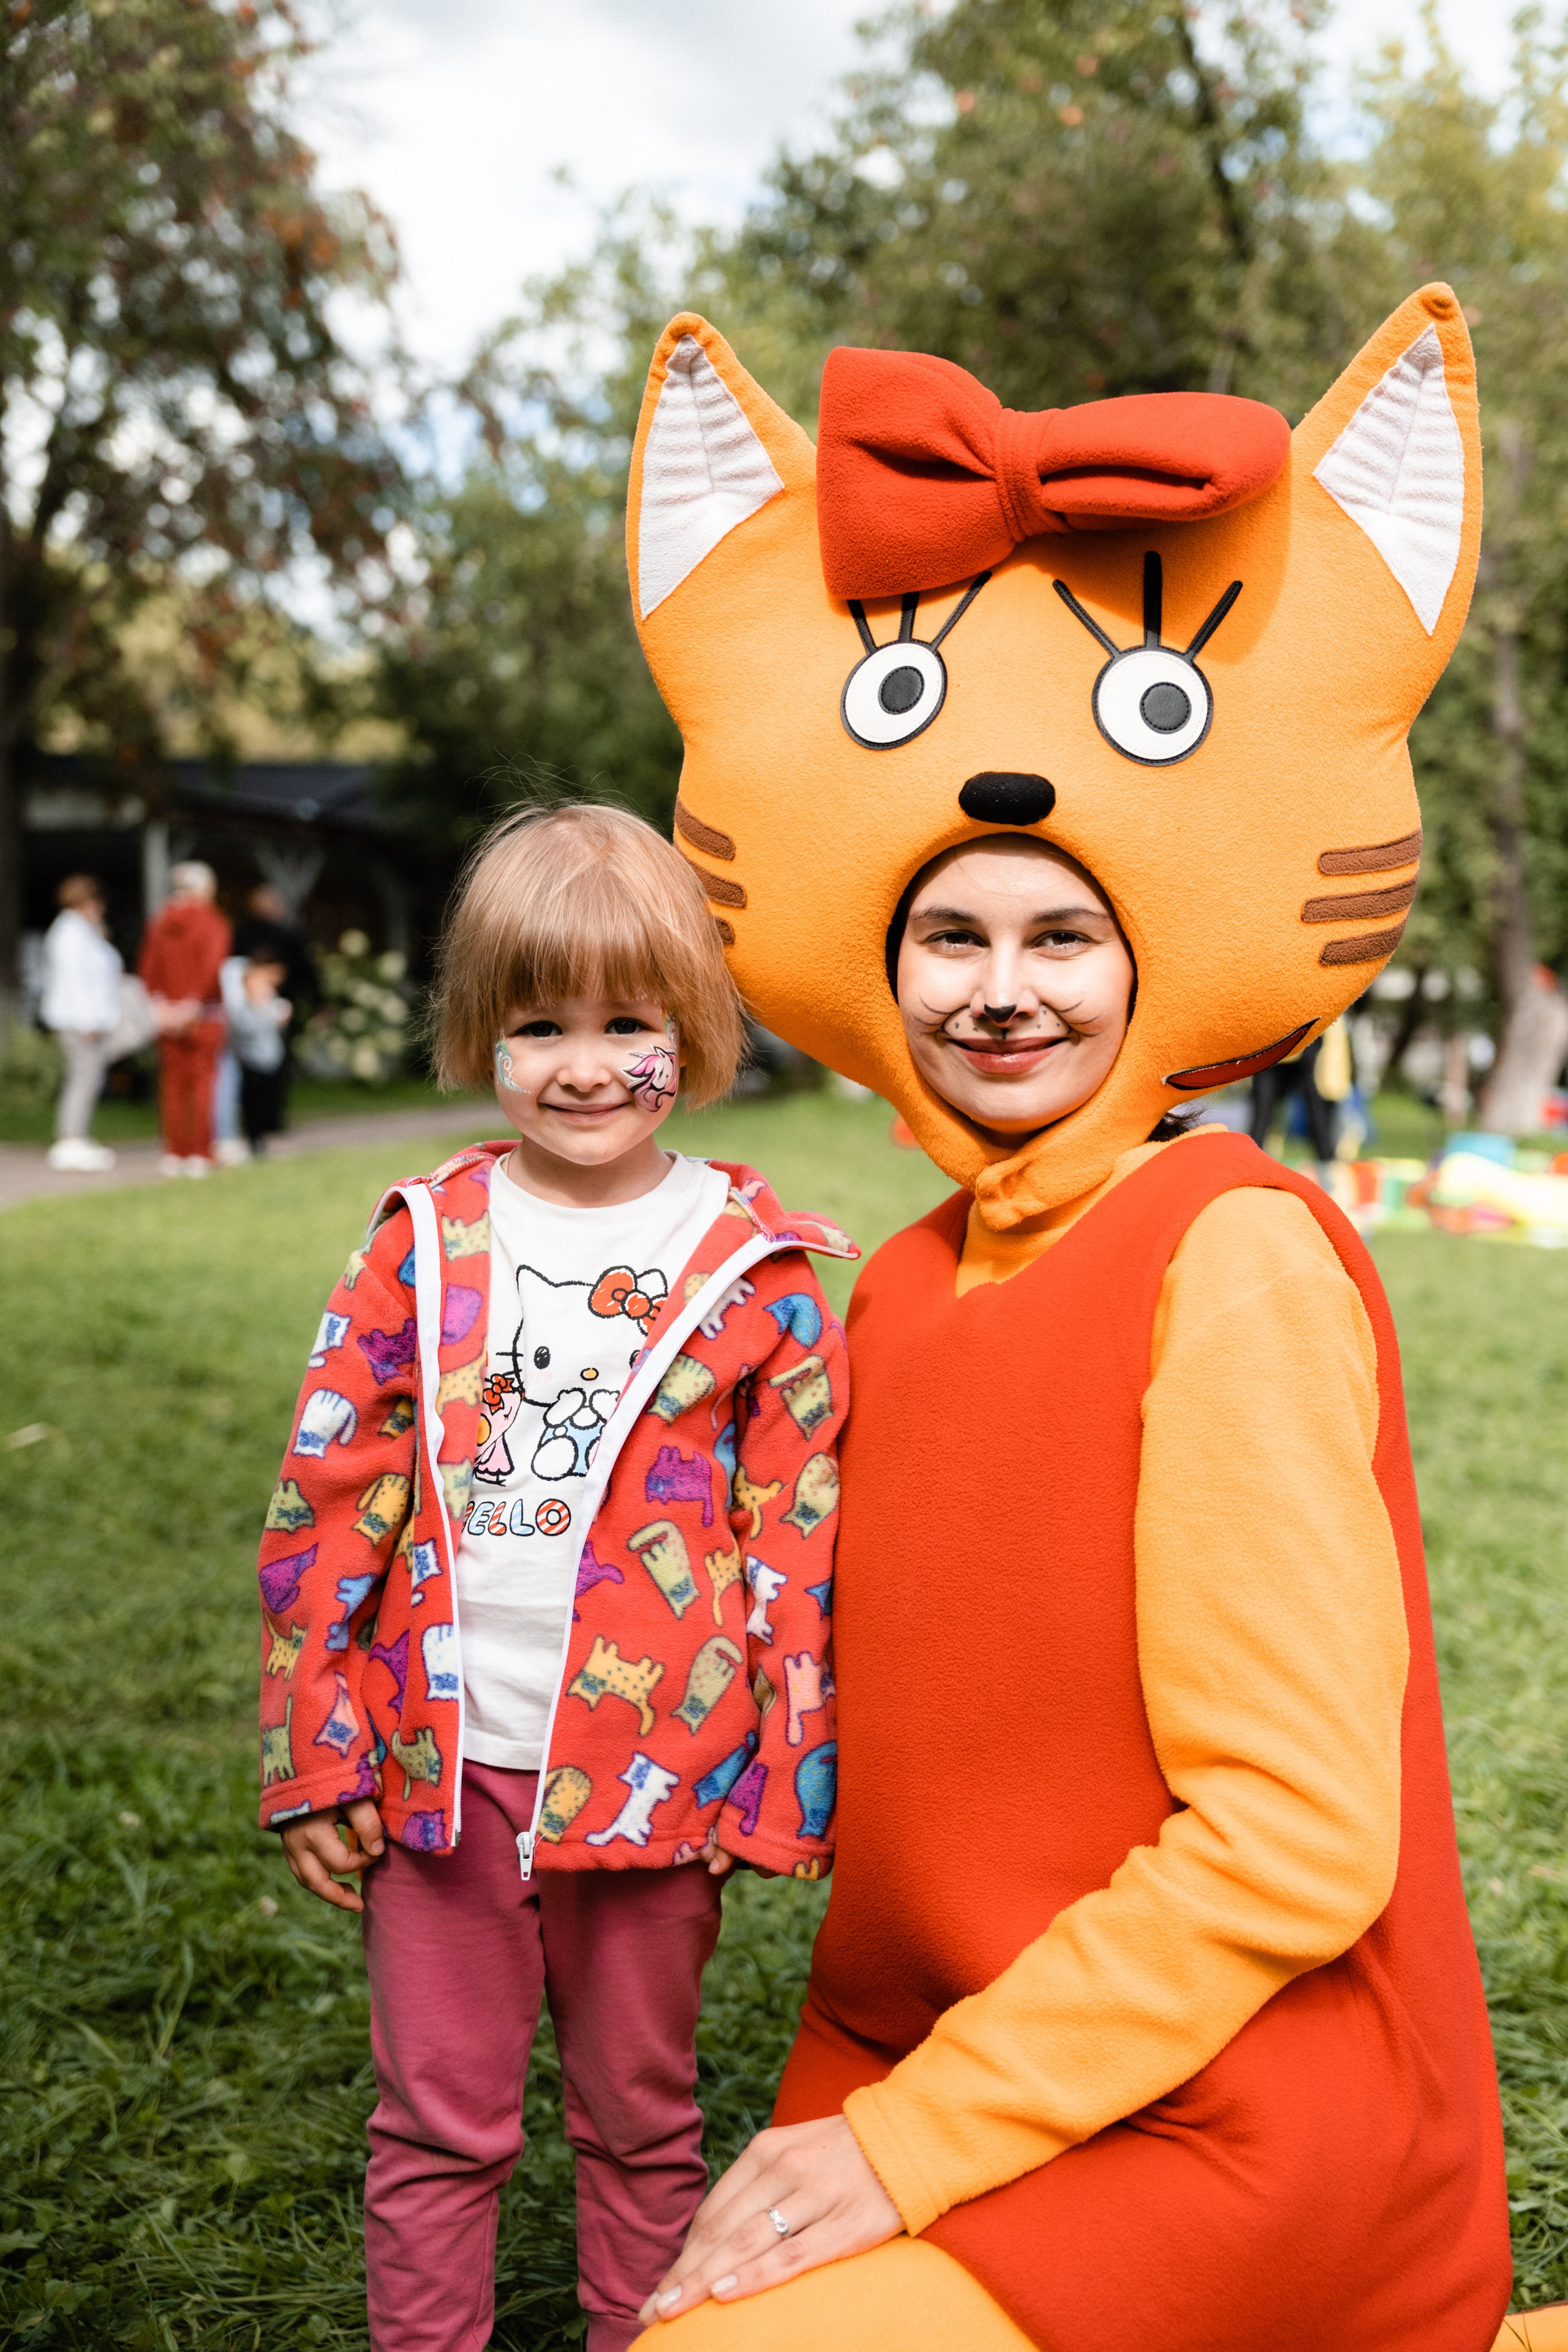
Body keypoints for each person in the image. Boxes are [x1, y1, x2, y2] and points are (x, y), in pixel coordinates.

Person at [614, 293, 1533, 2349]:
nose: (1000, 988)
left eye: (1062, 935)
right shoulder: (900, 1281)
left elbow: (1301, 1837)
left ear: (1149, 965)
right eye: (950, 930)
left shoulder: (1234, 1246)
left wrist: (909, 2148)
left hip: (1231, 2118)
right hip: (921, 2052)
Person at [255, 802, 854, 2352]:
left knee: (642, 2119)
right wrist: (317, 1742)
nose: (584, 1065)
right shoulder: (423, 1240)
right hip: (435, 1768)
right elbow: (332, 1494)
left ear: (692, 1028)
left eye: (627, 1023)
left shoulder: (755, 1267)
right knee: (438, 2124)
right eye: (539, 1023)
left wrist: (783, 1775)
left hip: (658, 1774)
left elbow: (797, 1544)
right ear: (482, 1032)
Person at [137, 861, 232, 1176]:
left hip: (168, 1013)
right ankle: (200, 1153)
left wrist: (163, 1006)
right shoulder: (212, 922)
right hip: (202, 1014)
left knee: (173, 1086)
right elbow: (212, 967)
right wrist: (191, 1005)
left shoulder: (160, 921)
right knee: (202, 1085)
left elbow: (149, 968)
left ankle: (174, 1152)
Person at [38, 875, 126, 1172]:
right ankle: (71, 1139)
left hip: (91, 1017)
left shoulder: (85, 932)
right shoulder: (69, 933)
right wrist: (87, 1020)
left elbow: (107, 967)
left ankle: (76, 1136)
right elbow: (74, 982)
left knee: (89, 1076)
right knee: (84, 1077)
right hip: (78, 1020)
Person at [220, 951, 292, 1156]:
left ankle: (268, 1135)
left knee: (269, 1101)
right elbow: (245, 1030)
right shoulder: (245, 1009)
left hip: (271, 1059)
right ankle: (254, 1140)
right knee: (252, 1104)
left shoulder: (272, 1002)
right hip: (252, 1062)